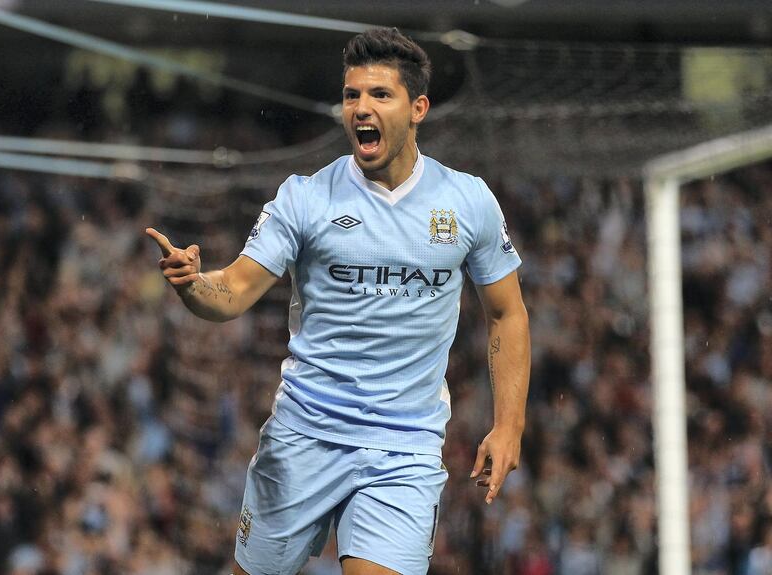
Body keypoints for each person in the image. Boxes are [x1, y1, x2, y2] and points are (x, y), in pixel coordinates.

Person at [147, 27, 530, 575]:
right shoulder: (304, 198)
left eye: (379, 95)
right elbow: (230, 291)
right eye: (352, 95)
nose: (360, 108)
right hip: (304, 435)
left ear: (417, 107)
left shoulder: (467, 202)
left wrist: (509, 424)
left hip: (405, 449)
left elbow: (507, 312)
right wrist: (193, 284)